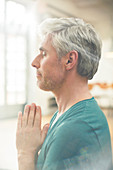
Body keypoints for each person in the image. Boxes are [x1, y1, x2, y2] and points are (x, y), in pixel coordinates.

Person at [16, 18, 113, 170]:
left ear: (69, 60)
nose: (34, 62)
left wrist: (25, 154)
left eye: (44, 54)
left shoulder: (76, 129)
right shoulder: (65, 114)